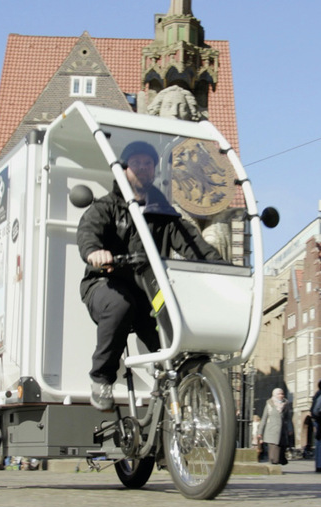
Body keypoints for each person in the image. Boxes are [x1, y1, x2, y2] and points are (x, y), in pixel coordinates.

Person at [76, 140, 223, 411]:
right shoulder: (107, 207)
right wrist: (95, 251)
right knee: (121, 306)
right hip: (106, 282)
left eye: (148, 164)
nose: (143, 168)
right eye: (137, 163)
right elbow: (89, 231)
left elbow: (194, 245)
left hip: (149, 290)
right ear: (124, 169)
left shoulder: (163, 213)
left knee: (173, 321)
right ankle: (102, 378)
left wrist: (220, 267)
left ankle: (169, 389)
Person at [257, 388, 293, 465]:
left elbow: (289, 418)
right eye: (279, 394)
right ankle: (273, 462)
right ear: (274, 395)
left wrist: (290, 429)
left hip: (282, 431)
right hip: (271, 431)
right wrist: (260, 432)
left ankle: (279, 460)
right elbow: (264, 418)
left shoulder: (286, 404)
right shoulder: (269, 404)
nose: (281, 395)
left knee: (281, 448)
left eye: (282, 394)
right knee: (273, 450)